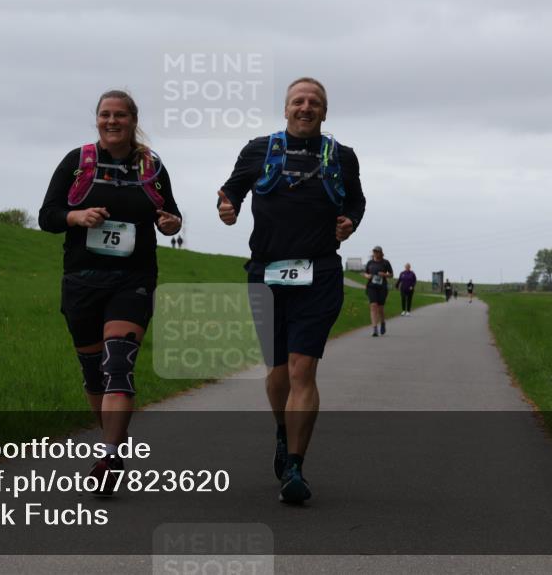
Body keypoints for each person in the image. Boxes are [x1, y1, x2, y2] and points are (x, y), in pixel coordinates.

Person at [217, 77, 365, 504]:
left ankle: (296, 468)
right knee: (278, 372)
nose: (306, 107)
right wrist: (227, 208)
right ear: (285, 109)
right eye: (298, 101)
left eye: (314, 102)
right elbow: (231, 191)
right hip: (266, 272)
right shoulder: (258, 150)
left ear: (324, 112)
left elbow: (355, 201)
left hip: (319, 273)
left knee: (303, 369)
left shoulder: (342, 156)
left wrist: (350, 222)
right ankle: (283, 431)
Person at [39, 89, 182, 494]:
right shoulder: (77, 162)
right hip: (82, 280)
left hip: (132, 280)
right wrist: (77, 216)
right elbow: (47, 216)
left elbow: (170, 214)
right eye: (105, 114)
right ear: (97, 119)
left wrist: (171, 224)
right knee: (94, 374)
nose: (112, 121)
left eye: (120, 115)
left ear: (134, 120)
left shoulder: (151, 166)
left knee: (118, 364)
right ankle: (111, 445)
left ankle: (110, 456)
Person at [364, 247, 393, 335]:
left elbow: (391, 274)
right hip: (371, 287)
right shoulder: (370, 262)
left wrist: (384, 274)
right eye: (374, 252)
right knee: (373, 305)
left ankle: (382, 322)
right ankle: (375, 328)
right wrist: (367, 276)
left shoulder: (385, 262)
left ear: (381, 253)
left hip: (382, 287)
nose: (376, 253)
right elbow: (365, 273)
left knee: (380, 308)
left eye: (377, 252)